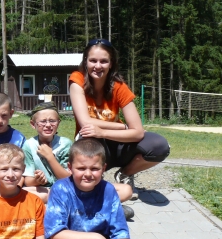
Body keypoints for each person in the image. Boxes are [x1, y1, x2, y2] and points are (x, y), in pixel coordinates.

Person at [44, 138, 164, 239]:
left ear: (103, 168)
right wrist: (97, 238)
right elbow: (56, 234)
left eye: (94, 169)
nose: (88, 174)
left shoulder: (109, 190)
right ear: (70, 167)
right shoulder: (60, 189)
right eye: (81, 168)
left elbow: (121, 234)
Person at [69, 38, 170, 199]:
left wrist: (104, 132)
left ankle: (125, 174)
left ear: (111, 63)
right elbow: (85, 122)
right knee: (89, 132)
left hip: (116, 142)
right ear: (85, 61)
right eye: (93, 60)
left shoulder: (119, 86)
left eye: (103, 61)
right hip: (92, 143)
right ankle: (95, 186)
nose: (98, 66)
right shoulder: (77, 80)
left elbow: (138, 132)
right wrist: (122, 127)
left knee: (159, 145)